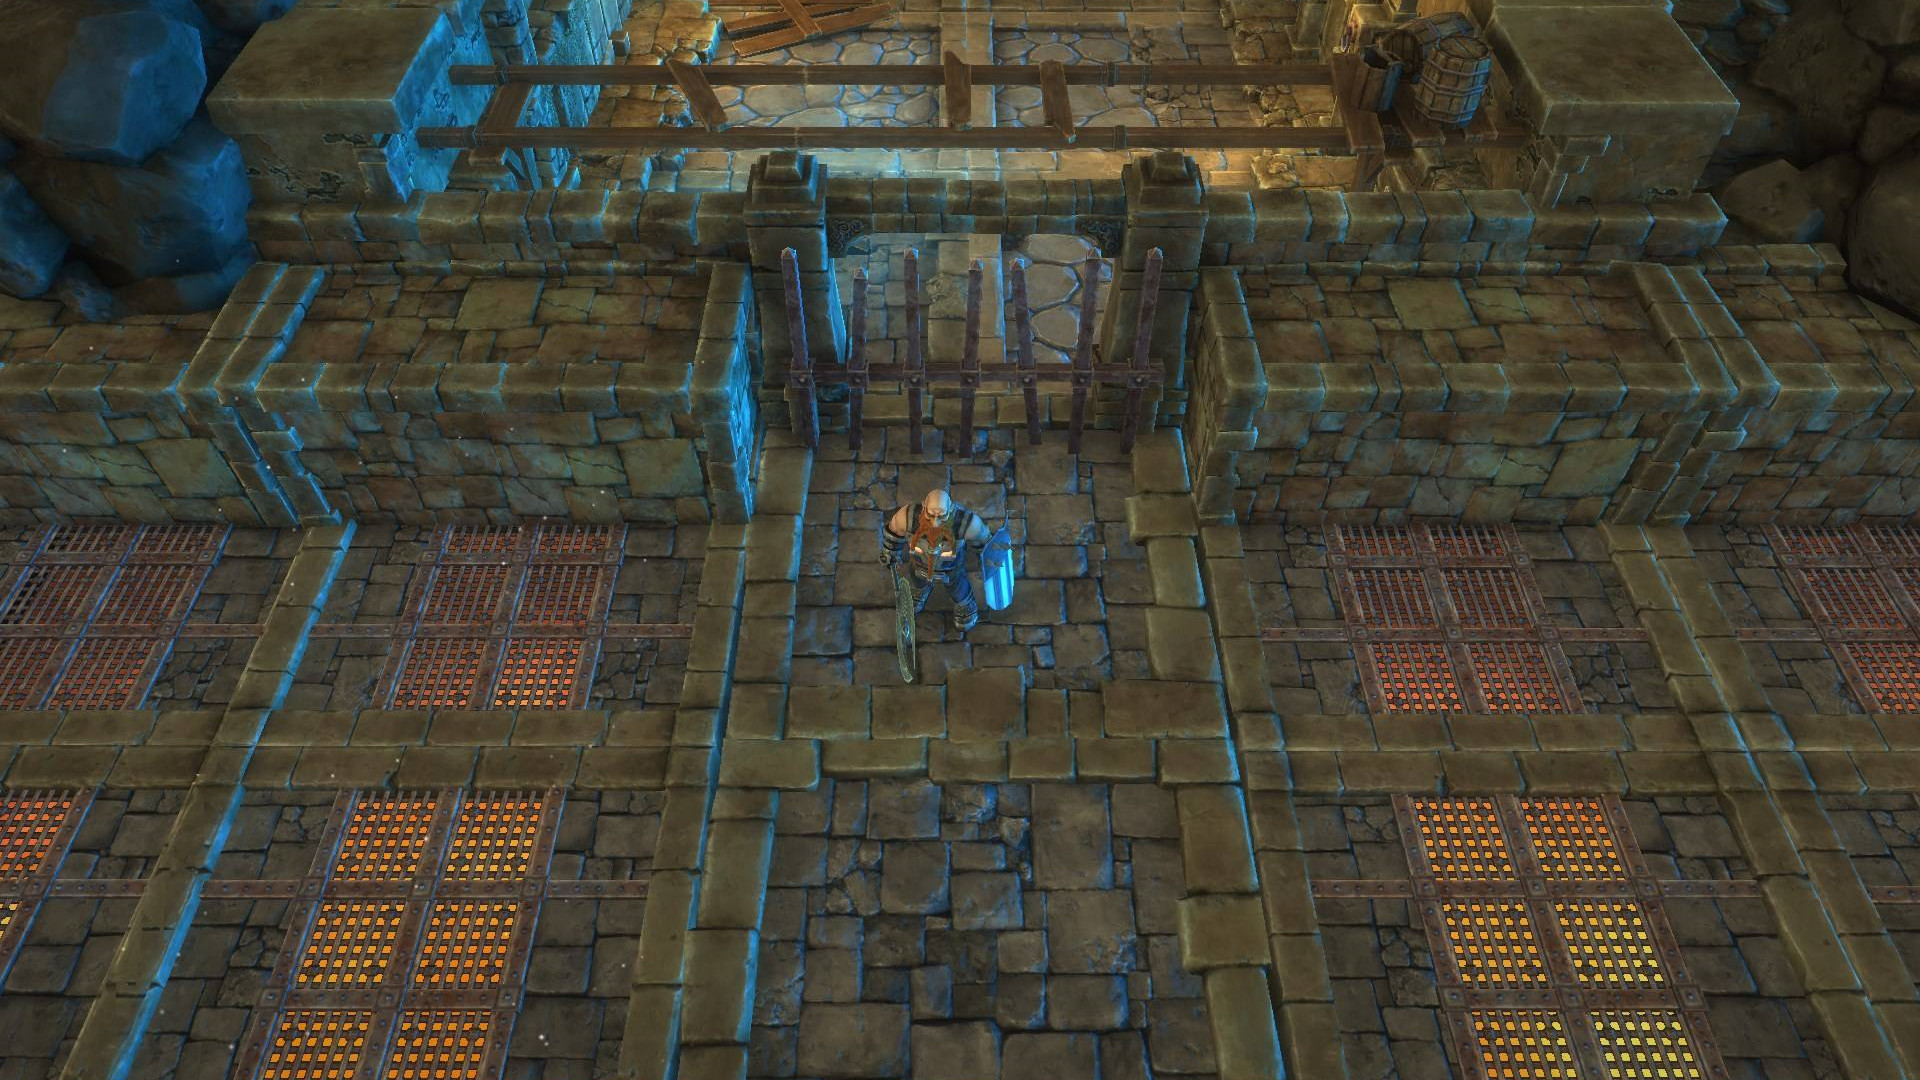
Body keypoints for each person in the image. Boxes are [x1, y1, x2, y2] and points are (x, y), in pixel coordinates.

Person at [880, 487, 991, 634]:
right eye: (931, 515)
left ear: (950, 509)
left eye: (942, 516)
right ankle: (919, 592)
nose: (935, 522)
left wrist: (987, 562)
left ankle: (965, 605)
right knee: (918, 581)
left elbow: (984, 542)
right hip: (919, 565)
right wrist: (890, 551)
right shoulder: (907, 517)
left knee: (958, 589)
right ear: (924, 506)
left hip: (951, 569)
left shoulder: (966, 523)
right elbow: (894, 533)